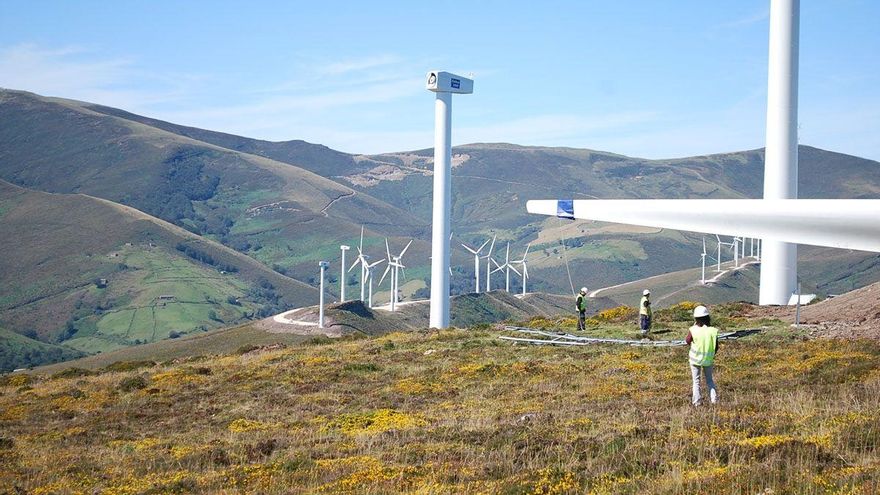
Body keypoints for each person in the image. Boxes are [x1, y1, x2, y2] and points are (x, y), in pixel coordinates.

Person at [686, 305, 719, 406]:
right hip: (708, 360)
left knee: (696, 381)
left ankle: (697, 402)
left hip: (695, 360)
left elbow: (687, 340)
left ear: (696, 318)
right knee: (709, 380)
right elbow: (716, 346)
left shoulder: (693, 329)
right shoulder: (713, 331)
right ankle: (714, 400)